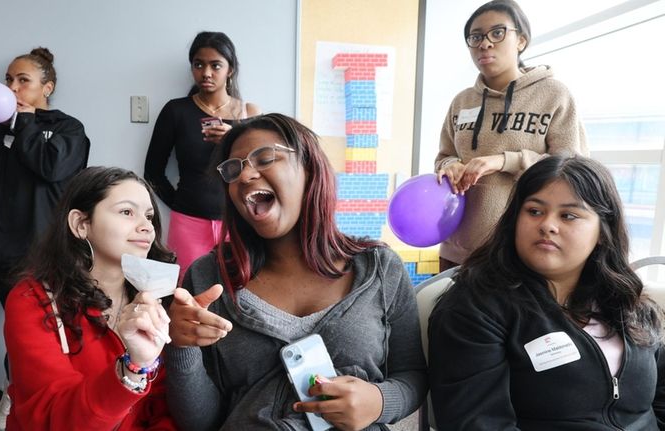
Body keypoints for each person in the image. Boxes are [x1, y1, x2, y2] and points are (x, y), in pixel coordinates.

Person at [165, 114, 428, 430]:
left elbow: (412, 375)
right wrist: (181, 347)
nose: (245, 175)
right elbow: (199, 423)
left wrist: (379, 401)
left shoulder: (380, 268)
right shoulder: (209, 277)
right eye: (233, 169)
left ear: (309, 168)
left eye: (264, 158)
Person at [428, 155, 665, 430]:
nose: (547, 225)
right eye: (534, 211)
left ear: (603, 231)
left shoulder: (626, 302)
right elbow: (478, 423)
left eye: (568, 215)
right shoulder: (474, 308)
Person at [0, 46, 90, 430]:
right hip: (4, 248)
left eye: (23, 80)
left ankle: (60, 403)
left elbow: (51, 167)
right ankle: (15, 392)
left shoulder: (69, 128)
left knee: (58, 331)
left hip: (52, 251)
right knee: (20, 332)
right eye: (9, 80)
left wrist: (27, 124)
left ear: (46, 87)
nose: (12, 88)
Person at [3, 166, 177, 430]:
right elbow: (55, 420)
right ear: (81, 224)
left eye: (150, 216)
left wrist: (187, 345)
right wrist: (132, 368)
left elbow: (162, 407)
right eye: (127, 212)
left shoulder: (152, 299)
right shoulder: (32, 300)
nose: (147, 228)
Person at [434, 0, 588, 270]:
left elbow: (573, 168)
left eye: (497, 33)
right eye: (476, 37)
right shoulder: (463, 101)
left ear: (521, 40)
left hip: (521, 253)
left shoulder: (554, 95)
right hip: (458, 250)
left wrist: (505, 161)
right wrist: (450, 166)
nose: (485, 43)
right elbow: (444, 156)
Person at [144, 31, 260, 281]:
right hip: (188, 222)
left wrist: (234, 138)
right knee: (187, 293)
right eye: (198, 64)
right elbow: (152, 172)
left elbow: (259, 169)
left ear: (230, 69)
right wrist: (181, 205)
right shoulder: (176, 110)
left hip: (238, 222)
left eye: (215, 65)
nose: (206, 73)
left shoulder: (249, 112)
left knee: (238, 291)